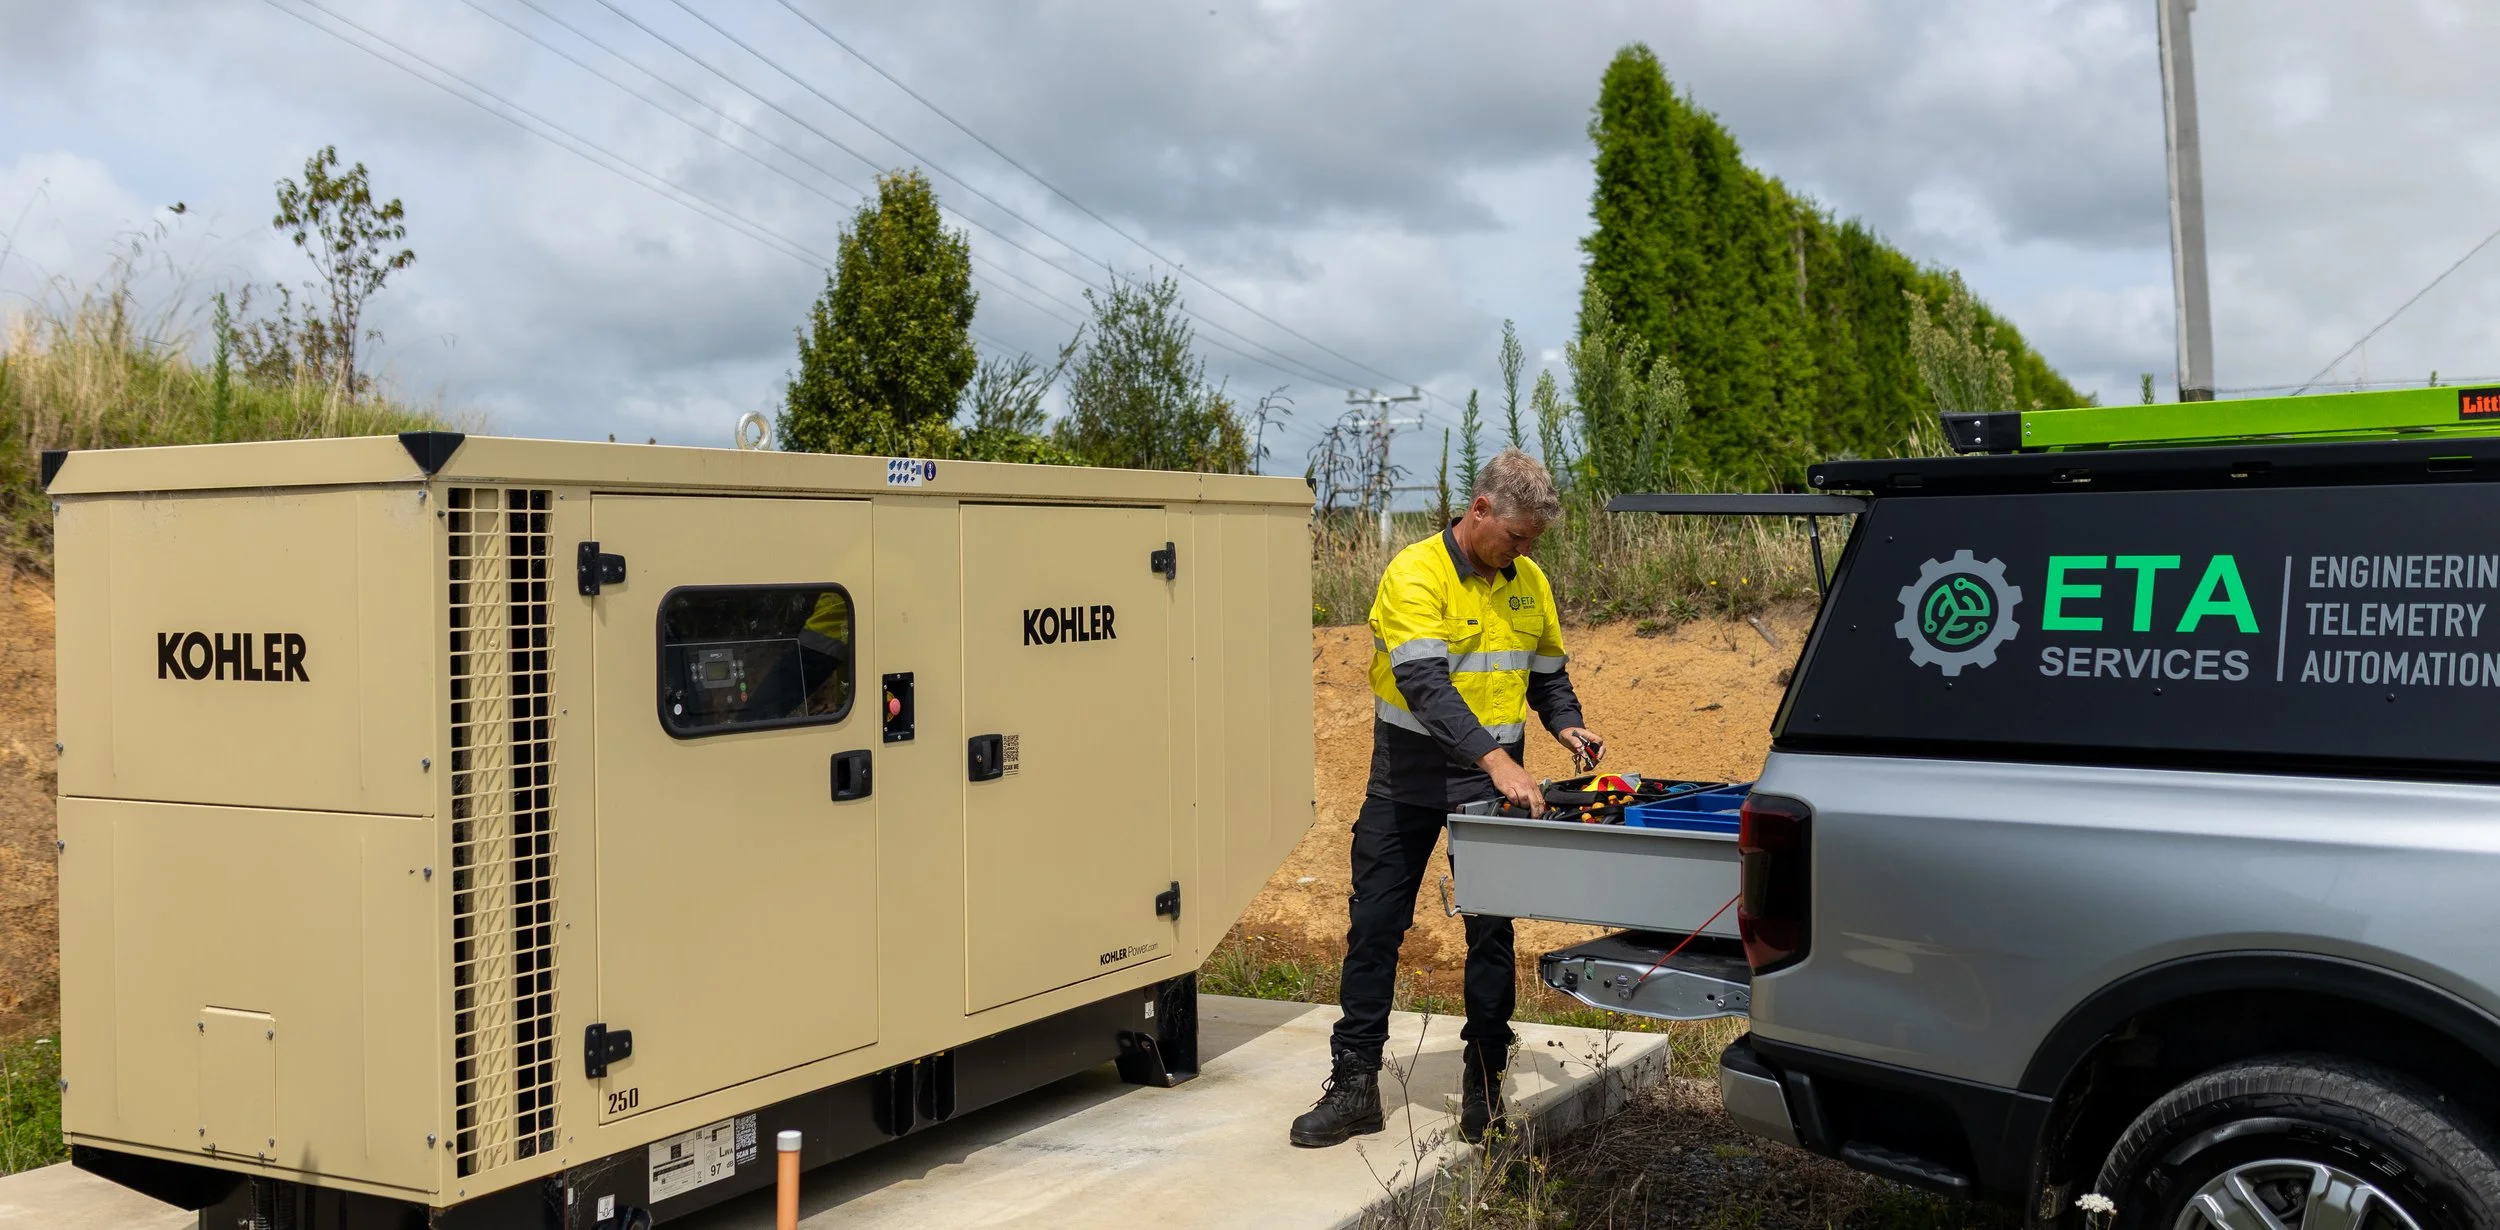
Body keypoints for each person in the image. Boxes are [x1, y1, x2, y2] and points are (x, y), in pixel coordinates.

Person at [1290, 449, 1602, 1148]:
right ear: (1480, 509)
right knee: (1375, 929)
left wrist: (1567, 722)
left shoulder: (1528, 582)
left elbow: (1547, 675)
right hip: (1409, 781)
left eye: (1533, 542)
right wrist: (1497, 762)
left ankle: (1485, 1093)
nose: (1522, 552)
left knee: (1490, 934)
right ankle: (1353, 1088)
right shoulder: (1415, 573)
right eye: (1516, 536)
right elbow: (1426, 685)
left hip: (1495, 786)